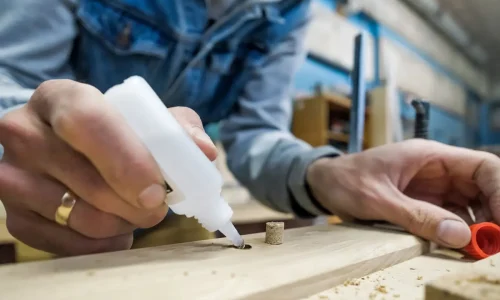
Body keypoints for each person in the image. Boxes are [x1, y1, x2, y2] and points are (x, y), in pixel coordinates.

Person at [0, 0, 499, 257]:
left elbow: (256, 133)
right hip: (54, 213)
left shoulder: (288, 10)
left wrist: (324, 174)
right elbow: (9, 77)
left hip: (165, 217)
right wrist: (40, 130)